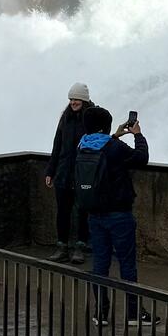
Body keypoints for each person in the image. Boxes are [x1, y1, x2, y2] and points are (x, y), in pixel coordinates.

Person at [76, 107, 152, 324]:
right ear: (105, 125)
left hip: (94, 214)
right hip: (119, 215)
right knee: (127, 265)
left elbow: (104, 146)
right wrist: (137, 134)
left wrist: (116, 135)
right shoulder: (114, 147)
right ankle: (134, 313)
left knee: (100, 265)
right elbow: (141, 158)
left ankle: (100, 313)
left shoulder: (82, 145)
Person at [46, 82, 97, 262]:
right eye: (71, 99)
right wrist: (50, 171)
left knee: (82, 211)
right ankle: (62, 247)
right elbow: (57, 145)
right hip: (63, 172)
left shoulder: (91, 118)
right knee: (63, 211)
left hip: (82, 173)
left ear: (84, 100)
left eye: (77, 99)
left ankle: (80, 247)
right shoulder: (65, 118)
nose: (74, 102)